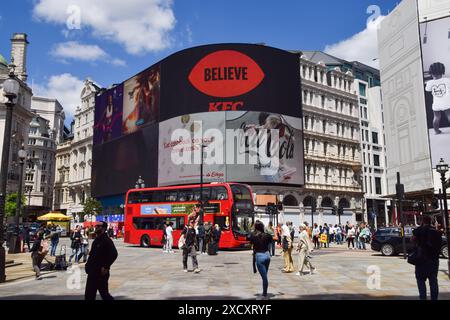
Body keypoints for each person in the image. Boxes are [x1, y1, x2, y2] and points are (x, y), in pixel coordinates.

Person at [85, 221, 118, 300]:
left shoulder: (107, 240)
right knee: (89, 295)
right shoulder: (96, 241)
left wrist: (106, 267)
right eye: (96, 226)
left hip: (101, 273)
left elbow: (114, 254)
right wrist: (87, 265)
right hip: (92, 272)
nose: (96, 227)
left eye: (98, 226)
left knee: (104, 295)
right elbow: (92, 255)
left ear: (103, 228)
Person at [411, 216, 442, 300]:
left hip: (421, 259)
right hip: (433, 259)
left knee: (420, 280)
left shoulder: (418, 231)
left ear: (422, 221)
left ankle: (423, 297)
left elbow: (413, 241)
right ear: (430, 221)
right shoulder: (436, 232)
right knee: (433, 281)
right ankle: (434, 298)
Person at [248, 220, 273, 300]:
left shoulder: (253, 235)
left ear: (255, 227)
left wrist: (252, 228)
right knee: (265, 275)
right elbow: (272, 239)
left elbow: (249, 240)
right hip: (267, 255)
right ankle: (264, 293)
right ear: (262, 227)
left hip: (259, 256)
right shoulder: (267, 235)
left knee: (264, 277)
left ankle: (264, 295)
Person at [425, 62, 450, 135]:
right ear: (442, 72)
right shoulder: (447, 80)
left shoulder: (430, 83)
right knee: (449, 115)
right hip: (447, 102)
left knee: (436, 117)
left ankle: (436, 131)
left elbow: (427, 90)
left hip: (436, 104)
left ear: (431, 73)